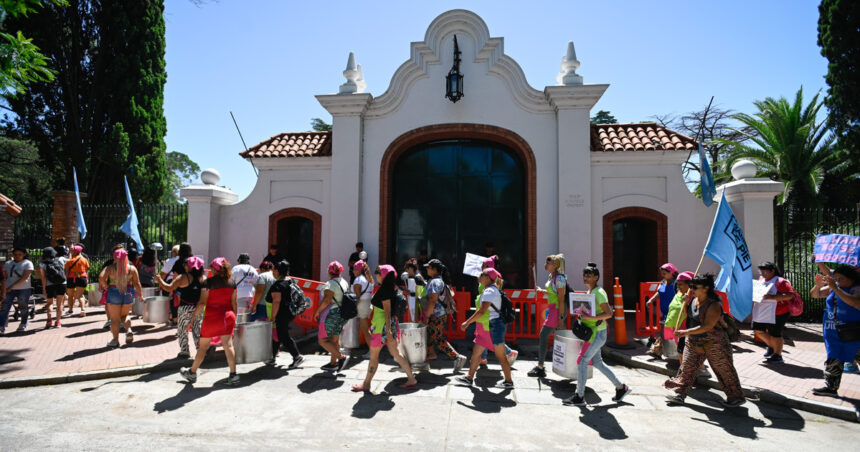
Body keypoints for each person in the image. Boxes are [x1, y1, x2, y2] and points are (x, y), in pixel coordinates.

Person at [664, 273, 744, 407]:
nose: (691, 289)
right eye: (691, 286)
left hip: (715, 343)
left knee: (724, 371)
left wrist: (685, 332)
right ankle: (679, 394)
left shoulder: (714, 305)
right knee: (686, 369)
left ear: (706, 288)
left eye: (695, 287)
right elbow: (687, 316)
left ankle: (735, 397)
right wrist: (684, 304)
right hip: (694, 342)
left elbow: (707, 326)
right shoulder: (693, 300)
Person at [564, 263, 631, 406]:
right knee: (598, 363)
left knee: (582, 362)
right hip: (593, 334)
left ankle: (579, 396)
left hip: (597, 335)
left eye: (590, 275)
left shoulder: (598, 293)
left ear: (596, 277)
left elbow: (608, 314)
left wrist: (589, 318)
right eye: (585, 274)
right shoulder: (590, 291)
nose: (586, 277)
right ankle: (621, 388)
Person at [352, 265, 419, 392]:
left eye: (377, 272)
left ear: (383, 275)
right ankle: (412, 379)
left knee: (373, 356)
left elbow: (387, 311)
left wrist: (387, 331)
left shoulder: (385, 290)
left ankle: (366, 384)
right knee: (397, 354)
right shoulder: (393, 287)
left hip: (382, 327)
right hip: (390, 325)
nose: (375, 274)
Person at [180, 257, 239, 385]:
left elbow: (201, 303)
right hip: (228, 317)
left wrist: (192, 319)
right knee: (228, 345)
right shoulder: (232, 283)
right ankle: (233, 374)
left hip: (212, 318)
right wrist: (235, 318)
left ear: (214, 269)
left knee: (203, 347)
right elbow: (234, 303)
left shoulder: (208, 283)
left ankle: (192, 372)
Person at [457, 268, 515, 388]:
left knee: (501, 356)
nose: (479, 276)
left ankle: (508, 381)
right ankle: (469, 377)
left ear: (488, 278)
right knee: (476, 353)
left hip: (493, 326)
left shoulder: (489, 291)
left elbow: (481, 311)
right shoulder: (490, 290)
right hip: (490, 326)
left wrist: (467, 322)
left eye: (482, 274)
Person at [811, 265, 860, 396]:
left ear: (852, 279)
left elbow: (854, 302)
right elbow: (815, 295)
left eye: (841, 279)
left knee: (856, 354)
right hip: (833, 331)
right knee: (834, 358)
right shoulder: (834, 288)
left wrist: (836, 288)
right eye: (836, 278)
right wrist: (817, 285)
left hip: (854, 332)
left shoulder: (856, 289)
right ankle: (831, 387)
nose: (837, 281)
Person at [155, 256, 206, 359]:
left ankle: (184, 351)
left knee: (182, 329)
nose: (184, 266)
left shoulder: (183, 277)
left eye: (185, 264)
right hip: (198, 308)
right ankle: (200, 351)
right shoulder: (203, 279)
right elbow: (203, 300)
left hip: (184, 308)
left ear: (189, 267)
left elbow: (169, 287)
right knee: (197, 329)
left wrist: (159, 280)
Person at [422, 259, 468, 371]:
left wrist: (426, 316)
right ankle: (424, 362)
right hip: (439, 315)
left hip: (435, 315)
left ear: (434, 269)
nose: (427, 269)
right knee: (428, 338)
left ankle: (457, 357)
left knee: (437, 339)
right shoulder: (438, 281)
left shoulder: (434, 282)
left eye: (428, 267)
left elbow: (432, 300)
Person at [528, 254, 568, 377]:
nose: (545, 264)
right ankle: (563, 366)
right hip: (554, 309)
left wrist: (561, 318)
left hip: (557, 309)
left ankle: (541, 367)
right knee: (554, 337)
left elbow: (561, 299)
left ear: (555, 265)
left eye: (548, 262)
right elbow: (554, 293)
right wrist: (542, 291)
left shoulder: (559, 278)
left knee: (544, 335)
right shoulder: (552, 276)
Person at [474, 255, 517, 366]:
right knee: (484, 335)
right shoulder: (488, 278)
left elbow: (486, 296)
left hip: (487, 313)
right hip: (485, 313)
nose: (482, 266)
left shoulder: (492, 280)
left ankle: (508, 353)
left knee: (486, 336)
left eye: (484, 265)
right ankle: (483, 358)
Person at [752, 261, 797, 364]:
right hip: (762, 311)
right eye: (761, 271)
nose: (762, 273)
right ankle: (772, 347)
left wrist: (773, 297)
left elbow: (790, 295)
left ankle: (778, 355)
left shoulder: (781, 281)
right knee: (758, 330)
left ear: (772, 271)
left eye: (764, 271)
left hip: (779, 312)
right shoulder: (761, 279)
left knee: (775, 334)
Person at [99, 249, 143, 348]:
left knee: (115, 319)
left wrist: (105, 285)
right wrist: (141, 295)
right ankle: (129, 331)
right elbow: (137, 283)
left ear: (115, 257)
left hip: (114, 292)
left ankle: (115, 340)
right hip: (128, 293)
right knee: (125, 315)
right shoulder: (132, 268)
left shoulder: (110, 268)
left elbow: (101, 277)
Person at [266, 260, 305, 368]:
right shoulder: (290, 281)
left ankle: (297, 357)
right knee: (278, 334)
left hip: (281, 314)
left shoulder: (277, 285)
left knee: (283, 336)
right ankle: (272, 357)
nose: (272, 271)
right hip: (290, 312)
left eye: (273, 269)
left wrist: (273, 316)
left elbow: (276, 301)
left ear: (278, 271)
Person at [313, 261, 350, 372]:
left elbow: (327, 300)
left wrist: (317, 312)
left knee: (323, 340)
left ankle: (341, 358)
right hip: (342, 314)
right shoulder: (344, 282)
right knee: (334, 340)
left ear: (329, 272)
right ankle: (333, 363)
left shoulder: (330, 284)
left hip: (331, 314)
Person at [646, 263, 679, 358]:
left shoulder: (676, 284)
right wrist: (651, 300)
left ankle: (657, 350)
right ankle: (657, 350)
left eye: (664, 273)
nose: (662, 275)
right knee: (665, 331)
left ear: (672, 273)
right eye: (662, 273)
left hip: (674, 312)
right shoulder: (663, 282)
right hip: (665, 312)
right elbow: (659, 292)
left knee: (667, 331)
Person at [1, 247, 35, 334]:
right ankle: (1, 326)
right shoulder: (8, 263)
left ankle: (23, 323)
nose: (17, 256)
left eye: (19, 254)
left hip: (23, 288)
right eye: (15, 254)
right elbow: (4, 277)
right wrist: (4, 289)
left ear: (24, 254)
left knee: (23, 307)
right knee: (5, 307)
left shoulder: (27, 263)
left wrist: (12, 286)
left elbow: (25, 277)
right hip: (9, 289)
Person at [663, 271, 694, 362]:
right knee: (681, 351)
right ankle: (683, 372)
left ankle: (699, 370)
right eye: (677, 284)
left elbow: (689, 314)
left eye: (681, 284)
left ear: (689, 285)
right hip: (677, 327)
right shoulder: (679, 293)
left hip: (686, 329)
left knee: (684, 352)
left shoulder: (693, 297)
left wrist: (685, 303)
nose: (678, 287)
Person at [38, 247, 66, 329]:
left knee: (50, 302)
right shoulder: (61, 259)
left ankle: (49, 319)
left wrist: (44, 288)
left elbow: (43, 278)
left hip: (49, 285)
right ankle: (58, 322)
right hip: (61, 283)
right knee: (59, 304)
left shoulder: (42, 264)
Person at [353, 260, 375, 355]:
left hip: (362, 306)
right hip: (368, 305)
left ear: (358, 270)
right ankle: (372, 350)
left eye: (354, 269)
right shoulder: (369, 278)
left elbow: (357, 297)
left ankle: (372, 352)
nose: (353, 271)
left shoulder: (358, 280)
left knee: (365, 330)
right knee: (366, 329)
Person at [64, 245, 90, 318]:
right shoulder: (85, 259)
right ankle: (82, 310)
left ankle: (70, 310)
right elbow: (86, 269)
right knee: (80, 295)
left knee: (70, 295)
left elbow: (67, 269)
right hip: (82, 277)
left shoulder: (70, 260)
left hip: (71, 278)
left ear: (75, 251)